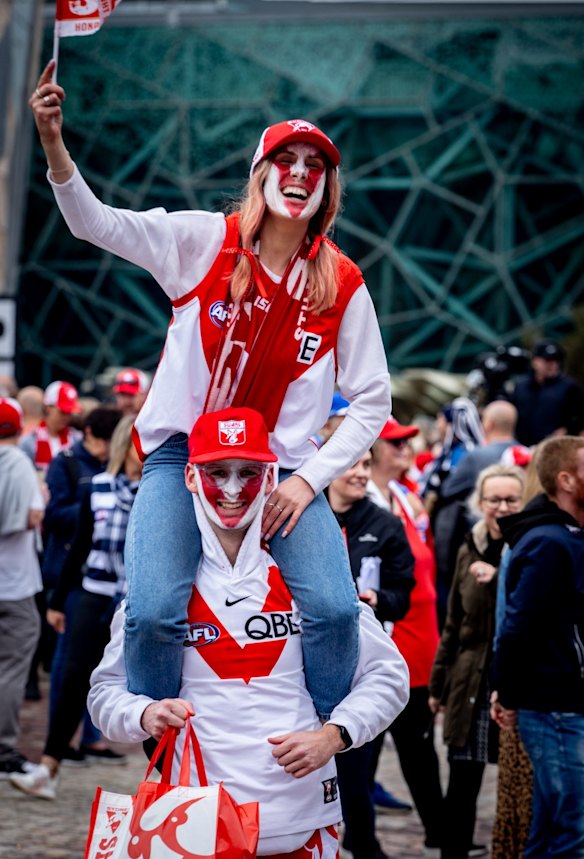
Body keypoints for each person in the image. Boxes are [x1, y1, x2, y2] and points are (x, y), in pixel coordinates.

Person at [30, 65, 392, 721]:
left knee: (337, 609)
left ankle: (326, 746)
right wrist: (55, 143)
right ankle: (166, 748)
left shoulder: (341, 281)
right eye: (287, 159)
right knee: (151, 611)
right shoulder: (203, 240)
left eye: (316, 164)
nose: (301, 173)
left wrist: (309, 480)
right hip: (183, 457)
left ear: (328, 187)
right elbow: (96, 224)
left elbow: (374, 401)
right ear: (261, 172)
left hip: (281, 471)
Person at [90, 408, 403, 853]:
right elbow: (103, 694)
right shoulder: (161, 591)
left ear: (272, 476)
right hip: (193, 828)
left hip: (303, 824)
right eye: (217, 472)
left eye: (248, 472)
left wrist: (333, 735)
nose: (233, 489)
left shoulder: (309, 582)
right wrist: (142, 715)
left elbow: (389, 676)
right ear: (191, 478)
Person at [10, 416, 142, 799]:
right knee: (71, 679)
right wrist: (57, 601)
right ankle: (49, 767)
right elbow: (79, 546)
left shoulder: (159, 492)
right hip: (94, 594)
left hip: (136, 604)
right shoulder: (96, 488)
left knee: (148, 686)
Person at [491, 436, 584, 858]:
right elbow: (517, 628)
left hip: (561, 702)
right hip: (555, 705)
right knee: (572, 832)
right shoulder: (549, 542)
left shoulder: (566, 536)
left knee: (552, 831)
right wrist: (508, 694)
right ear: (566, 479)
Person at [429, 464, 525, 859]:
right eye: (494, 500)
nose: (502, 507)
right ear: (480, 503)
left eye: (510, 499)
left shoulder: (531, 546)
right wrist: (438, 685)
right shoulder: (469, 544)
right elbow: (452, 622)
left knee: (518, 787)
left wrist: (500, 575)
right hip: (469, 682)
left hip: (512, 684)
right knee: (462, 786)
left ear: (524, 502)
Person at [327, 450, 415, 859]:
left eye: (366, 464)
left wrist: (378, 599)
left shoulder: (386, 525)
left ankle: (364, 845)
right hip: (303, 664)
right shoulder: (302, 516)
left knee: (356, 772)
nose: (362, 473)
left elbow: (403, 595)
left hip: (361, 664)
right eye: (352, 464)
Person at [368, 418, 444, 856]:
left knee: (418, 745)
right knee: (374, 741)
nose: (405, 448)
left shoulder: (405, 496)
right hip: (392, 638)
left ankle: (439, 827)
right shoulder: (368, 503)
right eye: (395, 443)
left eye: (406, 442)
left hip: (420, 636)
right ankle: (361, 830)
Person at [42, 406, 122, 764]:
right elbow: (54, 514)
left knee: (100, 666)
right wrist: (96, 505)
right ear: (89, 434)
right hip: (73, 576)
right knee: (68, 665)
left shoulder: (111, 472)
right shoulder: (68, 464)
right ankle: (58, 742)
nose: (108, 449)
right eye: (104, 440)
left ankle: (91, 738)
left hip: (105, 583)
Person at [0, 398, 45, 778]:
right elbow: (31, 517)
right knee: (11, 669)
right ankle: (3, 747)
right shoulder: (18, 464)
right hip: (13, 583)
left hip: (11, 580)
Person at [511, 339, 584, 446]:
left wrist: (568, 430)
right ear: (535, 361)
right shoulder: (521, 386)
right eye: (548, 361)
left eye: (556, 361)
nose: (553, 365)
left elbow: (580, 416)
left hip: (557, 447)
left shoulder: (569, 386)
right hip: (524, 447)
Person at [19, 380, 81, 476]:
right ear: (48, 407)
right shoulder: (28, 442)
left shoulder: (77, 439)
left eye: (69, 412)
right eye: (63, 412)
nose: (66, 417)